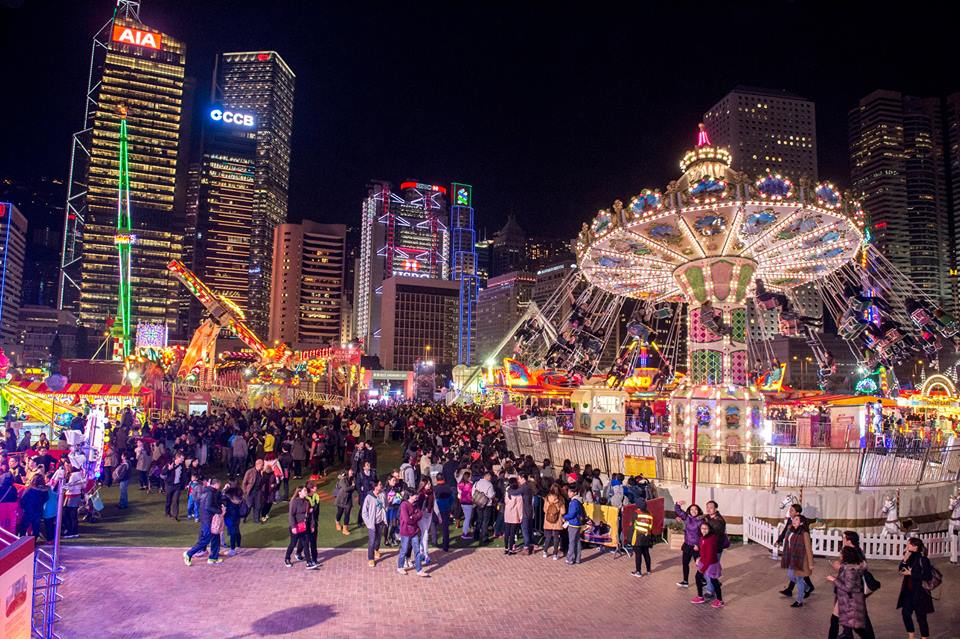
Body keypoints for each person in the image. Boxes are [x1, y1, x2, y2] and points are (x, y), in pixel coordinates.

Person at [826, 546, 869, 638]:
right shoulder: (848, 567)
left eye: (841, 553)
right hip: (844, 599)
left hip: (850, 600)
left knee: (857, 628)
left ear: (846, 556)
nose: (839, 555)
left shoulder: (850, 569)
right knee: (834, 621)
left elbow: (848, 587)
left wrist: (833, 580)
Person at [897, 537, 935, 639]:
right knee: (905, 613)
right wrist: (904, 559)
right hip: (908, 592)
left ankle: (924, 637)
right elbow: (901, 569)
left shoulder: (923, 559)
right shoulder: (909, 556)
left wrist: (911, 573)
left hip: (920, 593)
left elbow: (927, 576)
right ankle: (911, 635)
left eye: (908, 544)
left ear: (915, 547)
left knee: (921, 617)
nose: (906, 546)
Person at [183, 477, 224, 566]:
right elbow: (208, 507)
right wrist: (219, 511)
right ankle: (189, 554)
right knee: (206, 539)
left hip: (208, 519)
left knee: (215, 537)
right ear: (216, 484)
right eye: (219, 485)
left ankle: (213, 558)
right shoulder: (210, 493)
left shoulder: (208, 491)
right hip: (208, 520)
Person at [777, 503, 815, 598]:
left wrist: (810, 562)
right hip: (792, 552)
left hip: (800, 554)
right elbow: (786, 531)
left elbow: (806, 542)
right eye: (790, 510)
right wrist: (779, 540)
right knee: (797, 574)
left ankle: (802, 592)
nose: (790, 512)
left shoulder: (802, 523)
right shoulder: (790, 520)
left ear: (797, 513)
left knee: (800, 573)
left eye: (792, 510)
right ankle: (805, 587)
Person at [690, 521, 724, 608]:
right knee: (698, 577)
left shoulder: (711, 539)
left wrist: (703, 568)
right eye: (702, 528)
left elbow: (710, 556)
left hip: (711, 564)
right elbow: (703, 550)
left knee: (714, 581)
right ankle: (700, 597)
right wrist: (699, 557)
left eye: (706, 528)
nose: (704, 530)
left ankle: (720, 600)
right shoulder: (702, 538)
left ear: (709, 529)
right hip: (704, 562)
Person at [397, 490, 429, 577]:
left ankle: (419, 570)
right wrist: (415, 517)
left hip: (414, 531)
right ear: (410, 496)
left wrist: (413, 517)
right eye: (415, 495)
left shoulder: (416, 504)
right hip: (405, 532)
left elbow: (420, 514)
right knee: (404, 550)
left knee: (417, 551)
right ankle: (400, 567)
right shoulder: (404, 505)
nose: (416, 497)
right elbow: (407, 520)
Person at [284, 485, 316, 569]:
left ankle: (309, 562)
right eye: (304, 491)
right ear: (299, 492)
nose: (306, 492)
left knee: (305, 544)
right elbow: (291, 515)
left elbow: (310, 515)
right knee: (293, 543)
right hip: (295, 527)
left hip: (303, 526)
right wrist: (293, 526)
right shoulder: (294, 501)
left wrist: (312, 525)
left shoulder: (307, 501)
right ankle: (287, 558)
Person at [674, 500, 703, 587]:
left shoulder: (701, 520)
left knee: (699, 564)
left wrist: (698, 545)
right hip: (687, 544)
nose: (694, 511)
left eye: (696, 510)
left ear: (699, 511)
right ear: (689, 511)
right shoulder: (687, 518)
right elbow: (678, 511)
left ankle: (704, 580)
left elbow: (703, 535)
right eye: (692, 510)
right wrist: (677, 504)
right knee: (685, 563)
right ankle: (685, 581)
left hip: (696, 546)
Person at [362, 479, 386, 567]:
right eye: (380, 484)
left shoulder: (382, 494)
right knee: (372, 541)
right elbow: (364, 512)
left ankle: (376, 550)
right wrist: (368, 523)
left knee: (378, 538)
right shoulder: (369, 497)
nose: (381, 486)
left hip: (380, 522)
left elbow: (385, 505)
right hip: (372, 523)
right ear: (375, 487)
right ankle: (371, 558)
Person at [17, 473, 48, 539]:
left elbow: (23, 499)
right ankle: (33, 543)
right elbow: (46, 498)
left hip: (28, 510)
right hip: (38, 510)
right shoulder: (44, 490)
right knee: (35, 528)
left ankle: (22, 541)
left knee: (24, 527)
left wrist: (23, 506)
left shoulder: (29, 489)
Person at [631, 498, 654, 577]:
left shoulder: (636, 513)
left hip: (637, 536)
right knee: (646, 553)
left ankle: (638, 572)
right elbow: (650, 526)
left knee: (638, 554)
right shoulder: (649, 514)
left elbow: (632, 526)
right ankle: (648, 570)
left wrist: (629, 538)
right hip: (646, 536)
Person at [541, 482, 565, 559]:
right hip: (557, 521)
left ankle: (545, 551)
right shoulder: (561, 499)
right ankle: (555, 554)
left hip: (548, 520)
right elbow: (563, 512)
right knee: (556, 537)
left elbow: (544, 510)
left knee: (548, 537)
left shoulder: (547, 498)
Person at [563, 484, 585, 565]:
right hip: (577, 523)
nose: (568, 493)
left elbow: (571, 514)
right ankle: (577, 558)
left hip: (573, 524)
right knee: (577, 541)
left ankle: (570, 558)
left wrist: (564, 517)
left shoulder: (574, 502)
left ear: (574, 492)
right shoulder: (578, 501)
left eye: (570, 492)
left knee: (572, 542)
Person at [472, 471, 496, 545]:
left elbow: (473, 493)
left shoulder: (477, 483)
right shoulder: (489, 485)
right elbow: (491, 495)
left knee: (479, 519)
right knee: (485, 521)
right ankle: (484, 537)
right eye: (490, 476)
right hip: (487, 505)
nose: (491, 478)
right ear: (486, 476)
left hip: (478, 503)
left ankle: (476, 535)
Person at [434, 475, 455, 552]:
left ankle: (434, 542)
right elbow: (452, 499)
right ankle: (446, 546)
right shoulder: (448, 488)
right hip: (446, 509)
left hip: (437, 510)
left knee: (434, 526)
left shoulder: (435, 488)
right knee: (445, 527)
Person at [163, 453, 186, 521]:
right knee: (168, 500)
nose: (183, 459)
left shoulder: (182, 465)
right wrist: (169, 469)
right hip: (169, 485)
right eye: (182, 458)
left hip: (177, 486)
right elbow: (163, 472)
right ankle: (167, 512)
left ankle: (175, 515)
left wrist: (185, 483)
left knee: (176, 500)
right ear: (177, 458)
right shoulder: (169, 463)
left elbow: (183, 475)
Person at [222, 484, 244, 556]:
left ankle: (232, 549)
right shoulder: (237, 496)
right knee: (236, 532)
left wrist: (224, 490)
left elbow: (221, 497)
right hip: (235, 517)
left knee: (233, 533)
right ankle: (238, 546)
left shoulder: (229, 497)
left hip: (231, 517)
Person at [503, 476, 523, 555]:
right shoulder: (518, 495)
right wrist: (521, 517)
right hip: (515, 515)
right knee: (512, 533)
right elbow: (520, 507)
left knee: (507, 532)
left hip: (507, 513)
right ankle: (511, 549)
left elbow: (505, 502)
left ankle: (506, 548)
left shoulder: (507, 492)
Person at [241, 459, 264, 524]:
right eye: (262, 465)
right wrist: (244, 491)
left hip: (258, 491)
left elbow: (262, 482)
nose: (263, 466)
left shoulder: (261, 472)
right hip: (250, 492)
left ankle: (256, 519)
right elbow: (244, 482)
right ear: (258, 464)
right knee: (249, 506)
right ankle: (244, 516)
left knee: (258, 506)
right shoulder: (250, 472)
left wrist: (262, 475)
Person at [334, 468, 355, 534]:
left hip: (348, 499)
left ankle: (345, 529)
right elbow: (346, 489)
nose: (352, 472)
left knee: (347, 513)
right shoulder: (342, 479)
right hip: (341, 499)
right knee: (340, 512)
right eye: (351, 470)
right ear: (347, 471)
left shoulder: (353, 478)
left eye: (352, 470)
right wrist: (353, 486)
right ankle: (337, 522)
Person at [457, 470, 474, 539]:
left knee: (466, 517)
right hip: (468, 502)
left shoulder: (459, 484)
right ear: (468, 477)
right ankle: (465, 533)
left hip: (462, 502)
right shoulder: (469, 484)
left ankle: (465, 531)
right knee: (467, 518)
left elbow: (459, 493)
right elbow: (472, 493)